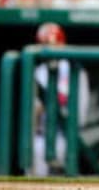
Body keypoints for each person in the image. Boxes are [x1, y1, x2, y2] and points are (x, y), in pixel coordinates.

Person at [33, 22, 90, 176]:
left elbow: (81, 111)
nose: (50, 49)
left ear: (62, 44)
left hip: (65, 136)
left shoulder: (73, 68)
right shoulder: (38, 72)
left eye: (54, 44)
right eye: (44, 44)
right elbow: (32, 115)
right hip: (41, 136)